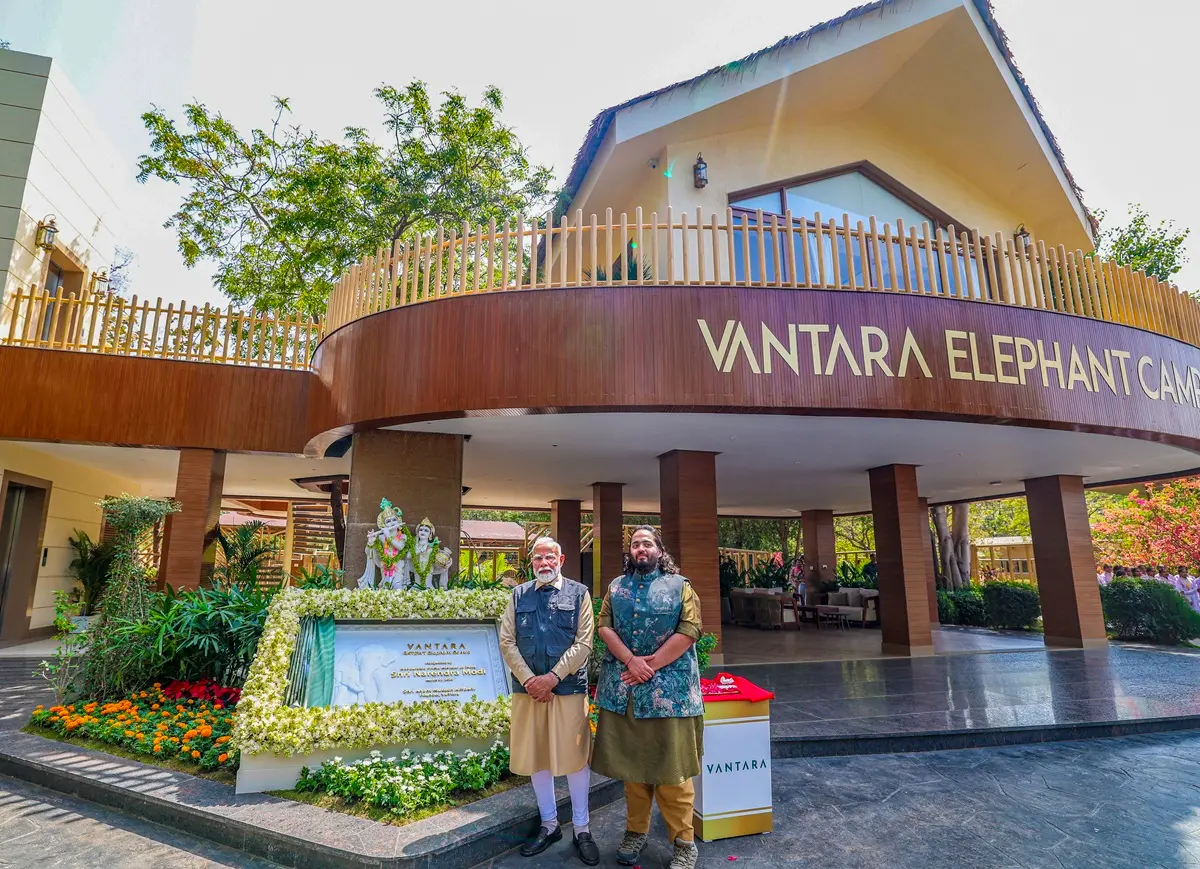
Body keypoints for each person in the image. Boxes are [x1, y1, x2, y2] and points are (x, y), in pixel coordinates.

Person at [592, 526, 703, 869]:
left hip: (671, 695)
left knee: (674, 773)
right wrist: (630, 661)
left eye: (647, 543)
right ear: (630, 551)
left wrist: (649, 665)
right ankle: (635, 831)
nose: (641, 548)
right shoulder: (616, 587)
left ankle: (684, 842)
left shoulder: (680, 586)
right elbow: (603, 625)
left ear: (659, 549)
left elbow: (691, 629)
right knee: (634, 772)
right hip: (626, 691)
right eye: (635, 544)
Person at [497, 536, 599, 865]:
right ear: (532, 562)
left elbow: (584, 643)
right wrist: (530, 680)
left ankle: (582, 828)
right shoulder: (518, 595)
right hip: (528, 691)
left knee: (575, 759)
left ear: (562, 558)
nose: (544, 562)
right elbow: (507, 641)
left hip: (568, 690)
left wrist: (552, 678)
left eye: (550, 556)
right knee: (538, 755)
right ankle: (550, 824)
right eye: (538, 557)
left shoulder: (579, 594)